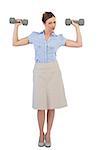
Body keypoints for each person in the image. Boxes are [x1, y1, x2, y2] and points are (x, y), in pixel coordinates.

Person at [12, 12, 82, 148]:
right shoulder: (35, 37)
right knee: (40, 106)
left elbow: (79, 44)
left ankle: (49, 133)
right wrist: (16, 26)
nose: (53, 25)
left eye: (55, 22)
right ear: (44, 23)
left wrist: (76, 27)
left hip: (53, 72)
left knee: (51, 106)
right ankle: (40, 133)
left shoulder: (59, 39)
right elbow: (15, 43)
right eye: (50, 23)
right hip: (39, 72)